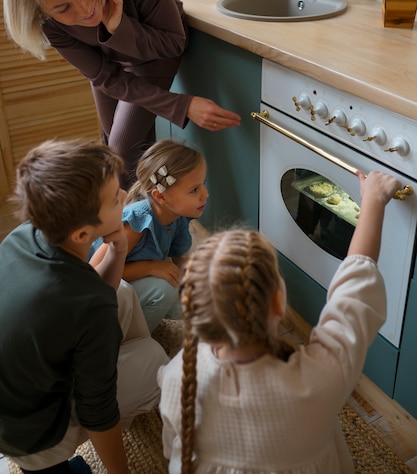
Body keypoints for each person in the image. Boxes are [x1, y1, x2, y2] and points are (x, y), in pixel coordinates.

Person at [158, 170, 402, 474]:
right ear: (277, 302)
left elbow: (174, 447)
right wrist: (374, 201)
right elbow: (354, 292)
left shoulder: (176, 376)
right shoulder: (320, 378)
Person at [3, 0, 241, 187]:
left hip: (153, 51)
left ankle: (140, 223)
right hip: (107, 67)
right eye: (63, 9)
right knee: (112, 152)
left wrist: (119, 27)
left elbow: (173, 43)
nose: (85, 11)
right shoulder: (44, 20)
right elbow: (104, 76)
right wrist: (181, 105)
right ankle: (136, 221)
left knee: (121, 157)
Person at [0, 139, 169, 474]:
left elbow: (85, 292)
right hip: (32, 436)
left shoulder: (24, 235)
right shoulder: (84, 303)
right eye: (114, 199)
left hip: (15, 395)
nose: (125, 196)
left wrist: (119, 249)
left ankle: (111, 359)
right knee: (154, 360)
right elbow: (98, 411)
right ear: (81, 234)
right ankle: (48, 464)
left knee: (119, 291)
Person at [90, 138, 208, 333]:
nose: (205, 194)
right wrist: (150, 267)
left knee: (194, 305)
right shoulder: (136, 222)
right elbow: (94, 274)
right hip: (102, 291)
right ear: (160, 196)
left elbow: (180, 259)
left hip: (136, 279)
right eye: (194, 190)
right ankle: (126, 339)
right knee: (165, 291)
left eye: (203, 184)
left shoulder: (178, 214)